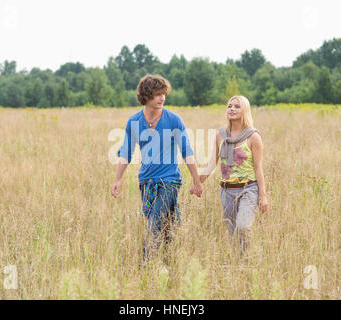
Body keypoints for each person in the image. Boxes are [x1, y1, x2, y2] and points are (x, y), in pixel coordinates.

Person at [111, 74, 203, 262]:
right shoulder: (134, 122)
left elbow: (187, 151)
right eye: (157, 94)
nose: (162, 98)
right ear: (146, 96)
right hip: (146, 181)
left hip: (169, 181)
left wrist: (196, 180)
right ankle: (170, 262)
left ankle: (145, 268)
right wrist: (117, 180)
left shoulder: (174, 120)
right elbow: (125, 153)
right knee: (165, 227)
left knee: (154, 224)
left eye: (164, 94)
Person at [194, 95, 268, 256]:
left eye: (237, 106)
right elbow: (211, 164)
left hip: (248, 189)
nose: (232, 109)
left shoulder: (253, 136)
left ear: (245, 110)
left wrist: (263, 196)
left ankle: (247, 257)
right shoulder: (220, 135)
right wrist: (197, 182)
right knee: (233, 231)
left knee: (243, 226)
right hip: (226, 190)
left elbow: (258, 168)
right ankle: (239, 263)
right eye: (229, 106)